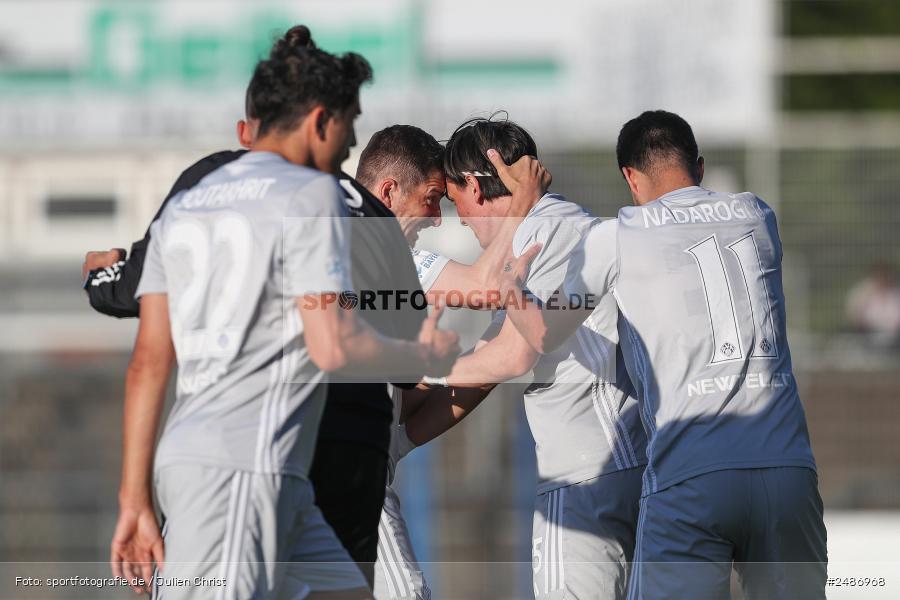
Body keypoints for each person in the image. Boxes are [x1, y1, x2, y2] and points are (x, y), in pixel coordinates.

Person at [109, 36, 460, 600]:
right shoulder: (312, 195)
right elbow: (332, 344)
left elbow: (148, 363)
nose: (349, 145)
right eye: (350, 125)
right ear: (321, 121)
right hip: (244, 467)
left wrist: (134, 499)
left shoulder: (188, 201)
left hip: (243, 466)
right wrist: (423, 353)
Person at [496, 110, 827, 599]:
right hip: (787, 471)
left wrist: (507, 282)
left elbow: (543, 334)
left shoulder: (618, 235)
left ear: (630, 176)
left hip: (690, 474)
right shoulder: (758, 214)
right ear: (699, 165)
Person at [355, 124, 553, 600]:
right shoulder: (375, 244)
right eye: (430, 198)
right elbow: (485, 289)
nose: (437, 218)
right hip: (343, 476)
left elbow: (410, 408)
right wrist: (523, 204)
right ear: (388, 191)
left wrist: (484, 362)